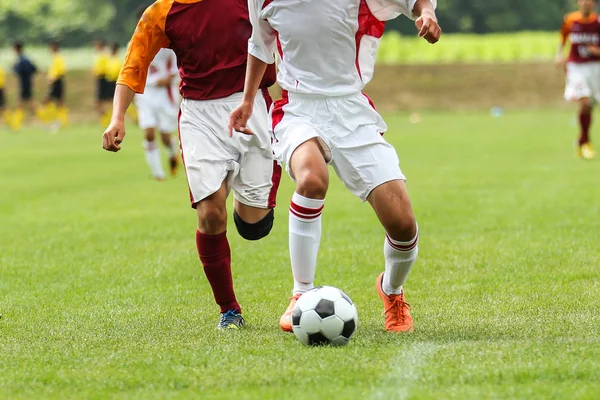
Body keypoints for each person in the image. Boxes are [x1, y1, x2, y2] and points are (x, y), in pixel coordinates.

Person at [230, 0, 441, 333]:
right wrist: (247, 98)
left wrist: (427, 14)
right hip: (298, 108)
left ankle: (391, 291)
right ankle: (300, 294)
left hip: (351, 111)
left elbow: (416, 2)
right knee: (312, 178)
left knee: (402, 225)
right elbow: (260, 43)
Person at [102, 0, 281, 330]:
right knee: (211, 213)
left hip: (253, 105)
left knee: (254, 227)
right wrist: (117, 118)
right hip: (200, 115)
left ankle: (250, 182)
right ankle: (229, 310)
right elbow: (132, 66)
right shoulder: (163, 12)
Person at [557, 0, 599, 160]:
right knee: (584, 101)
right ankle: (586, 142)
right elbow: (562, 37)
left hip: (595, 68)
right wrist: (559, 54)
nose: (586, 4)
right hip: (576, 67)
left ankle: (581, 140)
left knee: (589, 107)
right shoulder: (570, 19)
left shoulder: (597, 22)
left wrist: (596, 51)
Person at [134, 47, 180, 180]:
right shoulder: (137, 44)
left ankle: (172, 152)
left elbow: (175, 69)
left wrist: (167, 80)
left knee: (165, 136)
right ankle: (157, 173)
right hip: (145, 95)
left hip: (164, 96)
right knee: (149, 133)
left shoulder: (168, 47)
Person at [39, 40, 68, 131]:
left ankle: (52, 122)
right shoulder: (55, 58)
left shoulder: (59, 58)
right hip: (55, 83)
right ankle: (58, 121)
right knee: (57, 102)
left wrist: (53, 79)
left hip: (57, 82)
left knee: (48, 101)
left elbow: (62, 72)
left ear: (55, 47)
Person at [12, 41, 38, 131]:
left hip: (24, 84)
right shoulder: (26, 59)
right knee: (30, 103)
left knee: (20, 104)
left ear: (16, 49)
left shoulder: (21, 60)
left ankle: (17, 124)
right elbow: (34, 69)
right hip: (28, 83)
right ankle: (42, 120)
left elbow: (16, 70)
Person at [93, 39, 111, 123]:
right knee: (100, 101)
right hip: (100, 78)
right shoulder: (100, 55)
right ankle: (104, 118)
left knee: (102, 101)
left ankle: (106, 118)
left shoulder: (104, 55)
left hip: (103, 78)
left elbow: (105, 68)